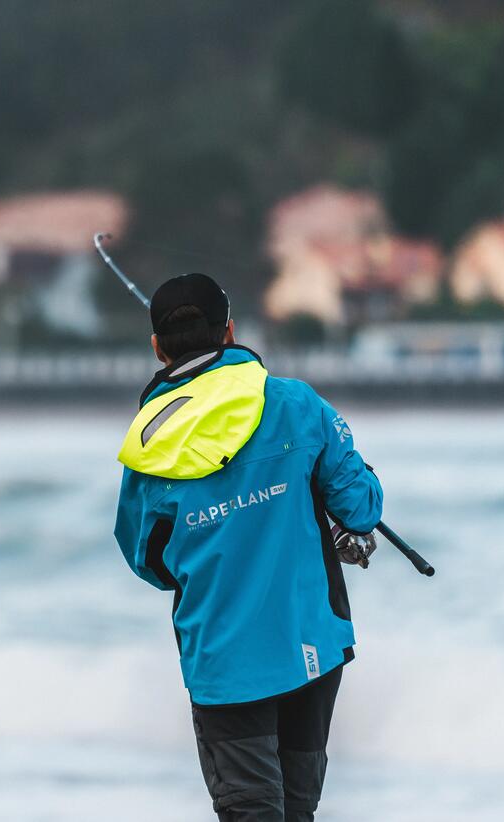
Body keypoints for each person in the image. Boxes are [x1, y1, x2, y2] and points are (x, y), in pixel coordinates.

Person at [113, 273, 384, 822]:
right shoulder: (296, 404)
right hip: (311, 648)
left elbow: (150, 562)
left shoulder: (152, 442)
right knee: (296, 813)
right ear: (231, 332)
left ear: (157, 346)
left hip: (225, 659)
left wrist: (216, 536)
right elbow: (361, 508)